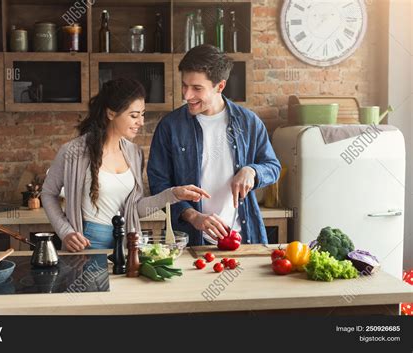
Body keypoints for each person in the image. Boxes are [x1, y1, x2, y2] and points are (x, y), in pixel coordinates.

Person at [42, 78, 209, 252]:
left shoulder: (135, 153)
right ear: (111, 114)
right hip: (87, 243)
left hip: (126, 243)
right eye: (134, 115)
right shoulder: (73, 152)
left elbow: (135, 210)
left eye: (142, 114)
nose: (141, 122)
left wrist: (173, 194)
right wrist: (65, 232)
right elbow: (48, 193)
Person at [147, 44, 281, 246]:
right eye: (184, 85)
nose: (186, 95)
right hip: (190, 242)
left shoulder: (249, 122)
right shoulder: (170, 127)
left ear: (220, 86)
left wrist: (252, 171)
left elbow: (273, 167)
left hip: (242, 239)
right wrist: (192, 216)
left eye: (197, 88)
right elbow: (159, 184)